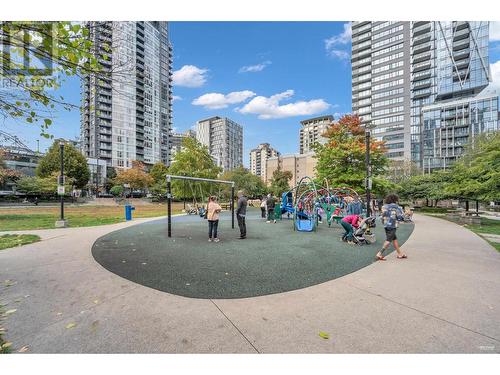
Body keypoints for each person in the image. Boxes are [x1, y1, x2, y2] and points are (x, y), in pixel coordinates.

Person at [376, 193, 407, 261]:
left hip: (386, 225)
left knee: (394, 239)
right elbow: (400, 217)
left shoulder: (384, 207)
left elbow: (382, 216)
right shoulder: (397, 207)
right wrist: (404, 215)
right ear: (395, 199)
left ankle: (400, 254)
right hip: (392, 225)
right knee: (388, 240)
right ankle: (379, 253)